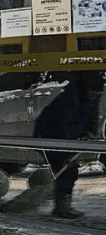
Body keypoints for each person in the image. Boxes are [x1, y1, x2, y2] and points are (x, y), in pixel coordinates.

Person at [32, 72, 100, 219]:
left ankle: (62, 205)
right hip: (53, 137)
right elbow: (64, 124)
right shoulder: (71, 99)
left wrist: (89, 131)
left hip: (60, 136)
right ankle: (61, 207)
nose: (97, 94)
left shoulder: (85, 96)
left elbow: (89, 117)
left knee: (68, 171)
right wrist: (68, 148)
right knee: (66, 170)